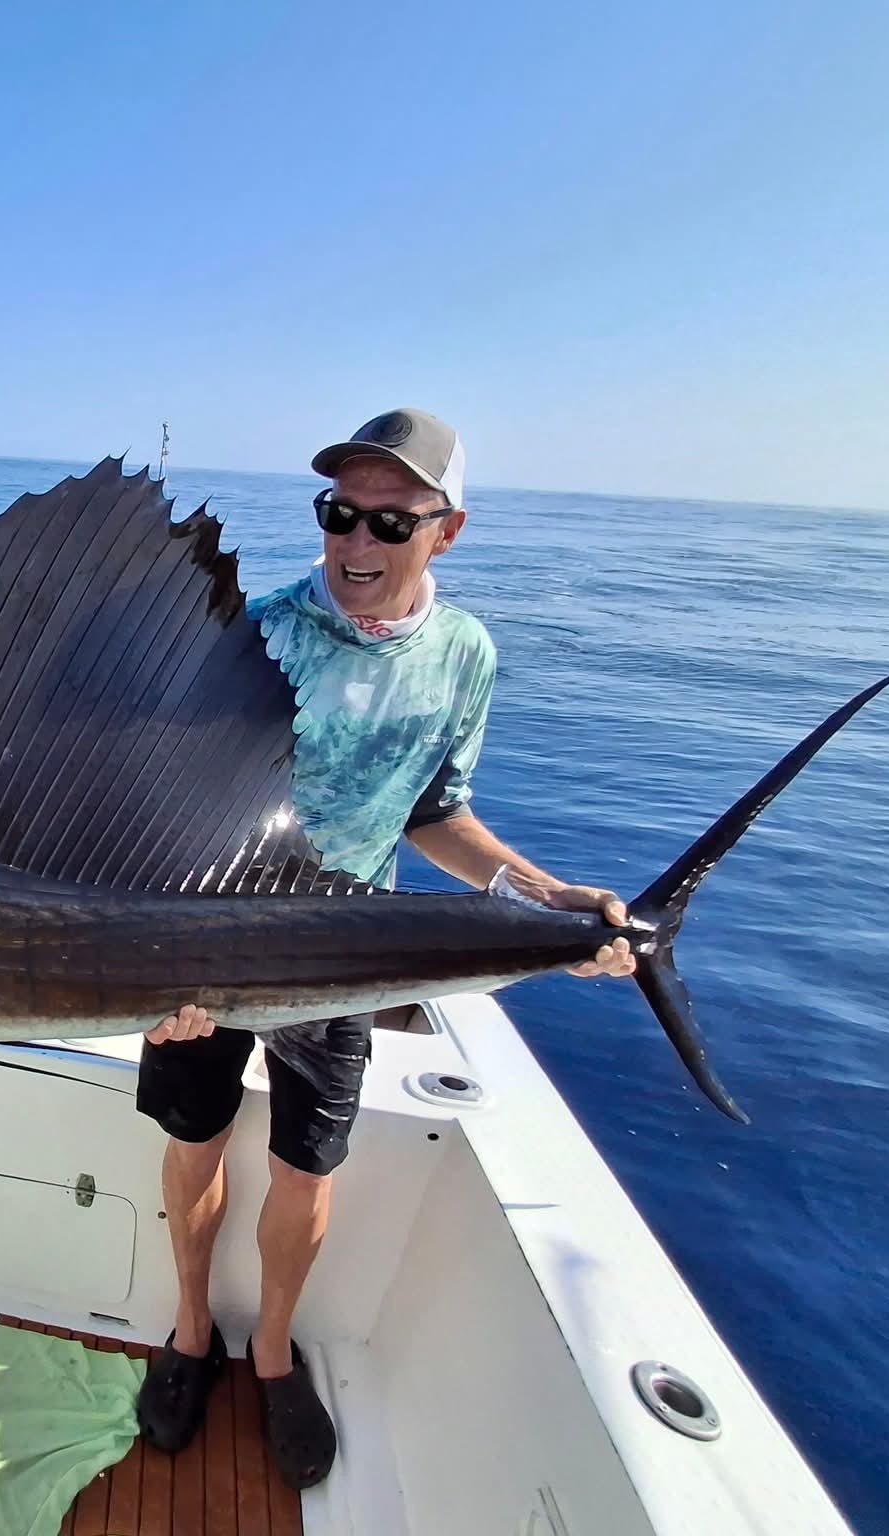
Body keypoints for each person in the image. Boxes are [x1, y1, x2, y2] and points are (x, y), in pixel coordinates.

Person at [133, 409, 636, 1487]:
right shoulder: (252, 632)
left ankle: (269, 1356)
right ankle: (186, 1335)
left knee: (306, 1172)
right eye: (337, 516)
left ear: (442, 532)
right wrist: (147, 966)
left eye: (386, 524)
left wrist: (543, 897)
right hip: (196, 947)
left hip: (343, 959)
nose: (355, 546)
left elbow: (434, 813)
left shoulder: (463, 657)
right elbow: (161, 811)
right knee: (193, 1147)